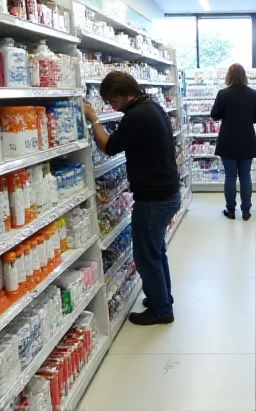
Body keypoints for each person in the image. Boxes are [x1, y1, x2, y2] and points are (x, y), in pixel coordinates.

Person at [84, 71, 180, 326]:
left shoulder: (137, 116)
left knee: (146, 256)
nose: (111, 107)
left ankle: (161, 310)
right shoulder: (152, 107)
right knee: (157, 252)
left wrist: (94, 121)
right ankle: (162, 297)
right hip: (167, 194)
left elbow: (108, 147)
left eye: (111, 102)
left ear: (121, 95)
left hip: (153, 200)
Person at [211, 63, 256, 220]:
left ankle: (230, 210)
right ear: (244, 76)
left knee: (230, 177)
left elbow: (215, 115)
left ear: (229, 76)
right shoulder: (253, 94)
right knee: (245, 176)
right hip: (246, 139)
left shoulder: (223, 94)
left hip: (228, 140)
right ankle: (246, 210)